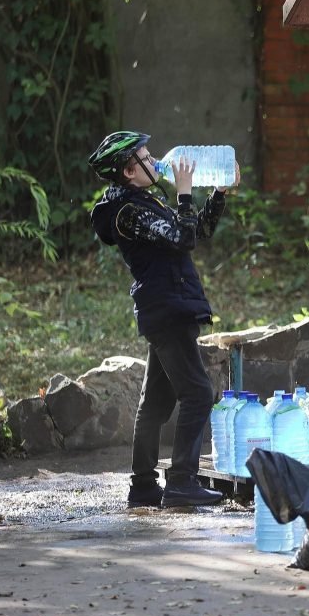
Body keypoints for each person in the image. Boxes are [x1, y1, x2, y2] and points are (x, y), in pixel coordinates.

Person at [88, 131, 237, 509]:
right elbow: (182, 239)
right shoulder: (128, 212)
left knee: (154, 403)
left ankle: (143, 488)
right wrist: (185, 193)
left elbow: (196, 231)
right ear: (128, 172)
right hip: (166, 308)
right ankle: (183, 482)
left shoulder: (142, 201)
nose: (155, 161)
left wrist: (218, 193)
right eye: (145, 157)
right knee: (198, 393)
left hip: (171, 305)